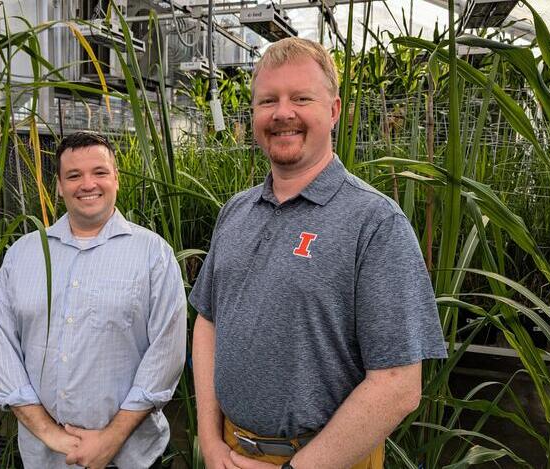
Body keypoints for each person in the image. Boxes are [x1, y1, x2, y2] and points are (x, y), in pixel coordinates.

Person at [189, 37, 447, 469]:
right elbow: (208, 321)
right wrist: (210, 442)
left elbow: (399, 383)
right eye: (268, 100)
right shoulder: (236, 210)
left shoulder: (375, 222)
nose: (282, 113)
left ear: (334, 111)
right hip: (229, 453)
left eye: (301, 98)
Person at [0, 132, 186, 469]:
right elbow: (0, 349)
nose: (87, 184)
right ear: (59, 186)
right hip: (44, 458)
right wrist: (51, 435)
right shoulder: (24, 255)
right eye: (74, 175)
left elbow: (166, 355)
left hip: (129, 458)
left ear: (116, 179)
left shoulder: (154, 255)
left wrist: (111, 438)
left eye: (100, 172)